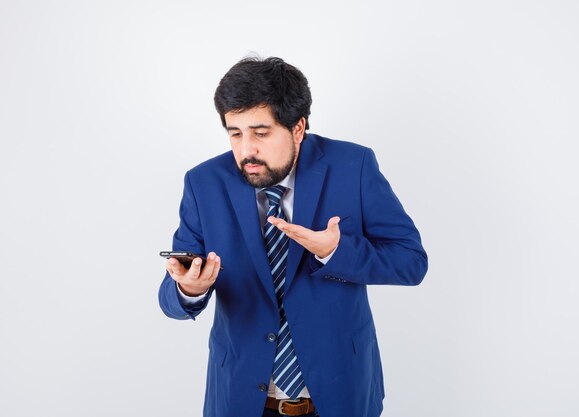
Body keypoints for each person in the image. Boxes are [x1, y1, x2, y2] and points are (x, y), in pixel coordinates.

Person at [158, 56, 428, 417]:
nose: (245, 150)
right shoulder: (204, 183)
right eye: (234, 133)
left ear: (298, 128)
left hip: (339, 394)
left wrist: (336, 252)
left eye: (261, 133)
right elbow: (171, 295)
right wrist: (190, 289)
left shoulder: (353, 167)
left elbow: (411, 261)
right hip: (242, 399)